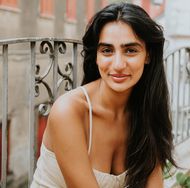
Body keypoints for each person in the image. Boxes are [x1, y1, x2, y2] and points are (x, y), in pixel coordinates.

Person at [31, 2, 175, 188]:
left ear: (148, 55)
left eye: (130, 50)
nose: (117, 64)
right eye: (107, 50)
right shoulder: (69, 111)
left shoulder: (147, 109)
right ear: (96, 56)